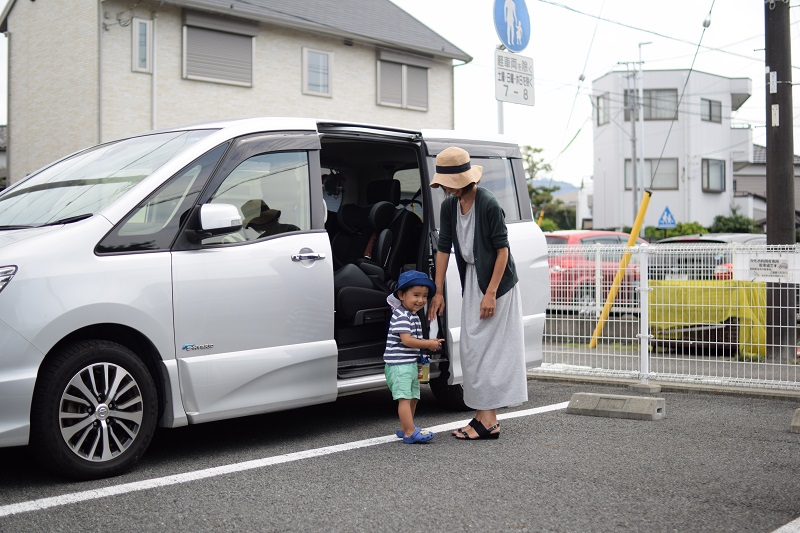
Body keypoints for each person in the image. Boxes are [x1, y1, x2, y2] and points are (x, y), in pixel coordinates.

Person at [427, 146, 527, 440]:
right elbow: (444, 247)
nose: (444, 188)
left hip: (497, 283)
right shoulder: (449, 206)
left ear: (460, 180)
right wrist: (438, 290)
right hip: (474, 278)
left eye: (447, 183)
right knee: (472, 348)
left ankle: (489, 421)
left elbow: (502, 251)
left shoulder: (488, 204)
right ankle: (484, 417)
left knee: (490, 350)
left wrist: (491, 293)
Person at [385, 270, 444, 444]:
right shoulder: (401, 315)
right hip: (399, 365)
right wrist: (428, 344)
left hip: (409, 363)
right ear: (402, 295)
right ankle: (410, 431)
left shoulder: (411, 314)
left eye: (425, 296)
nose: (421, 300)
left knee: (413, 396)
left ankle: (406, 427)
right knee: (404, 397)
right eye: (416, 295)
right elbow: (407, 340)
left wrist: (427, 342)